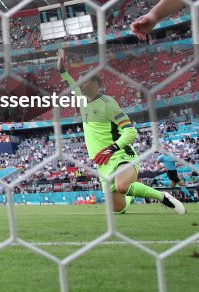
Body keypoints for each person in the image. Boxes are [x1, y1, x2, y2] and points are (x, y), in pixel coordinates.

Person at [57, 49, 184, 215]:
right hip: (102, 162)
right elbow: (69, 82)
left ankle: (162, 197)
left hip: (120, 155)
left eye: (85, 82)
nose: (80, 85)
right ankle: (130, 198)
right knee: (119, 209)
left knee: (122, 186)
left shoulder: (108, 103)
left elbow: (131, 132)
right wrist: (61, 69)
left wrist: (112, 149)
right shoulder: (82, 100)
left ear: (96, 84)